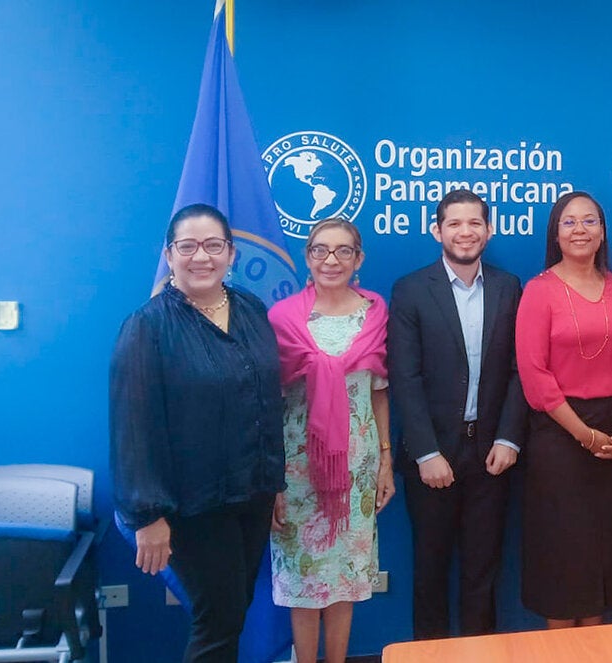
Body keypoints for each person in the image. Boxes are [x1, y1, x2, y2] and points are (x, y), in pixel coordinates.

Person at [109, 203, 285, 663]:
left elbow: (267, 400)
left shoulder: (250, 308)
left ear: (231, 253)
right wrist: (147, 516)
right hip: (193, 504)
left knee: (234, 609)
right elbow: (132, 427)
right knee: (218, 619)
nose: (200, 256)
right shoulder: (147, 327)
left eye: (212, 245)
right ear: (169, 255)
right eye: (187, 246)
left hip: (251, 492)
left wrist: (275, 481)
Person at [387, 189, 526, 639]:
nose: (465, 232)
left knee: (482, 572)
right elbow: (404, 378)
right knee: (429, 570)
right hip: (432, 454)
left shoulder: (509, 287)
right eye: (454, 224)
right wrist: (426, 452)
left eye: (474, 223)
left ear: (490, 230)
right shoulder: (410, 290)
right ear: (437, 231)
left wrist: (508, 439)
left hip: (490, 454)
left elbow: (519, 371)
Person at [515, 191, 612, 628]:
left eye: (589, 221)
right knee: (564, 554)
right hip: (561, 435)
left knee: (603, 549)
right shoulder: (539, 290)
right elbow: (535, 377)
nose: (580, 230)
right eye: (569, 222)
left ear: (603, 231)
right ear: (555, 233)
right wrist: (585, 436)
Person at [268, 219, 392, 663]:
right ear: (307, 257)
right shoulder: (282, 318)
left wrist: (385, 461)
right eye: (320, 250)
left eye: (343, 251)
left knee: (344, 577)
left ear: (359, 259)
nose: (331, 260)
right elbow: (269, 406)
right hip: (297, 469)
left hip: (356, 466)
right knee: (304, 582)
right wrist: (272, 481)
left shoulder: (376, 314)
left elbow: (379, 394)